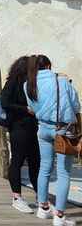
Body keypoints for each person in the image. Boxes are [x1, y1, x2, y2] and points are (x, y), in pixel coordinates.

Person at [25, 54, 80, 225]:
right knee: (64, 172)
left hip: (43, 128)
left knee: (45, 167)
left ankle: (43, 208)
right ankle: (60, 216)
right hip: (62, 131)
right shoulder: (62, 82)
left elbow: (32, 109)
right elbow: (76, 105)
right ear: (49, 66)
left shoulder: (28, 84)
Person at [1, 56, 39, 213]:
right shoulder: (13, 82)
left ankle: (40, 197)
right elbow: (5, 103)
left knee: (36, 161)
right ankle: (17, 197)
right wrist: (25, 110)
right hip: (18, 126)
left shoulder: (31, 83)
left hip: (32, 127)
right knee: (17, 160)